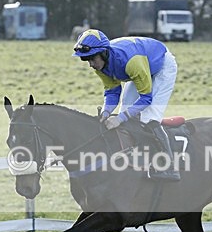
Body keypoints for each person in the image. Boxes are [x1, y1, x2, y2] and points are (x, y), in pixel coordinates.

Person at [73, 28, 180, 181]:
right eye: (86, 60)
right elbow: (112, 92)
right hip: (141, 66)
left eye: (92, 58)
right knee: (125, 111)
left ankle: (169, 166)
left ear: (104, 53)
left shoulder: (132, 62)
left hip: (161, 66)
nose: (90, 64)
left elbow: (146, 98)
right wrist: (105, 113)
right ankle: (133, 154)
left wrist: (120, 118)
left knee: (149, 118)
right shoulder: (100, 65)